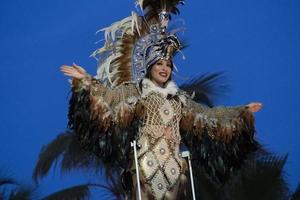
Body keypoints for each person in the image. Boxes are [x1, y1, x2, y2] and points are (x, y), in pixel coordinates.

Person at [60, 1, 262, 199]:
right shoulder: (136, 92)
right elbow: (109, 99)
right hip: (144, 167)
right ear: (150, 67)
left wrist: (241, 111)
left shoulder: (180, 99)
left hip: (174, 170)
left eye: (168, 64)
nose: (164, 68)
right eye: (159, 64)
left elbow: (208, 116)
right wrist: (85, 80)